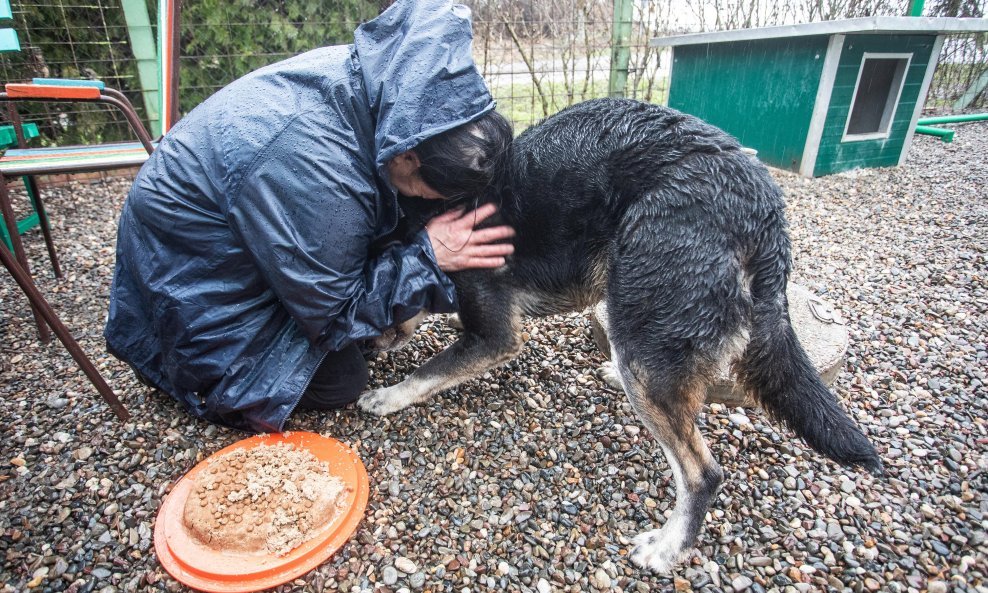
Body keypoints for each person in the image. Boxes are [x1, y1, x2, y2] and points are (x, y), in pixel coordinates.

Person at [104, 0, 514, 432]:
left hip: (218, 245)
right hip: (195, 292)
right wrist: (427, 258)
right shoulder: (317, 171)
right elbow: (335, 316)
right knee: (343, 380)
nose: (438, 204)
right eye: (437, 193)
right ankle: (190, 378)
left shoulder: (382, 87)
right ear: (409, 157)